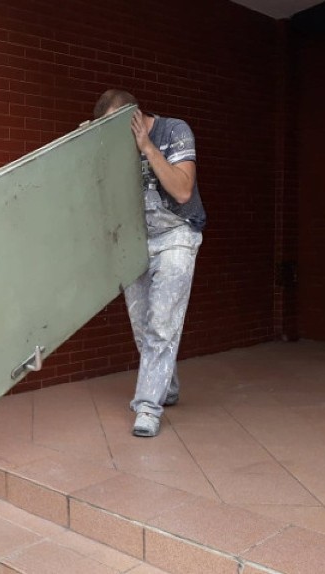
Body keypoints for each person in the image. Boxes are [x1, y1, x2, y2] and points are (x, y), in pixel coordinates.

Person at [94, 89, 206, 438]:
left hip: (176, 236)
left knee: (162, 322)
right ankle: (166, 388)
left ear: (135, 116)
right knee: (143, 327)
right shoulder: (115, 147)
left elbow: (183, 190)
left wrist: (147, 148)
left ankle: (147, 406)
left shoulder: (174, 132)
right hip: (137, 241)